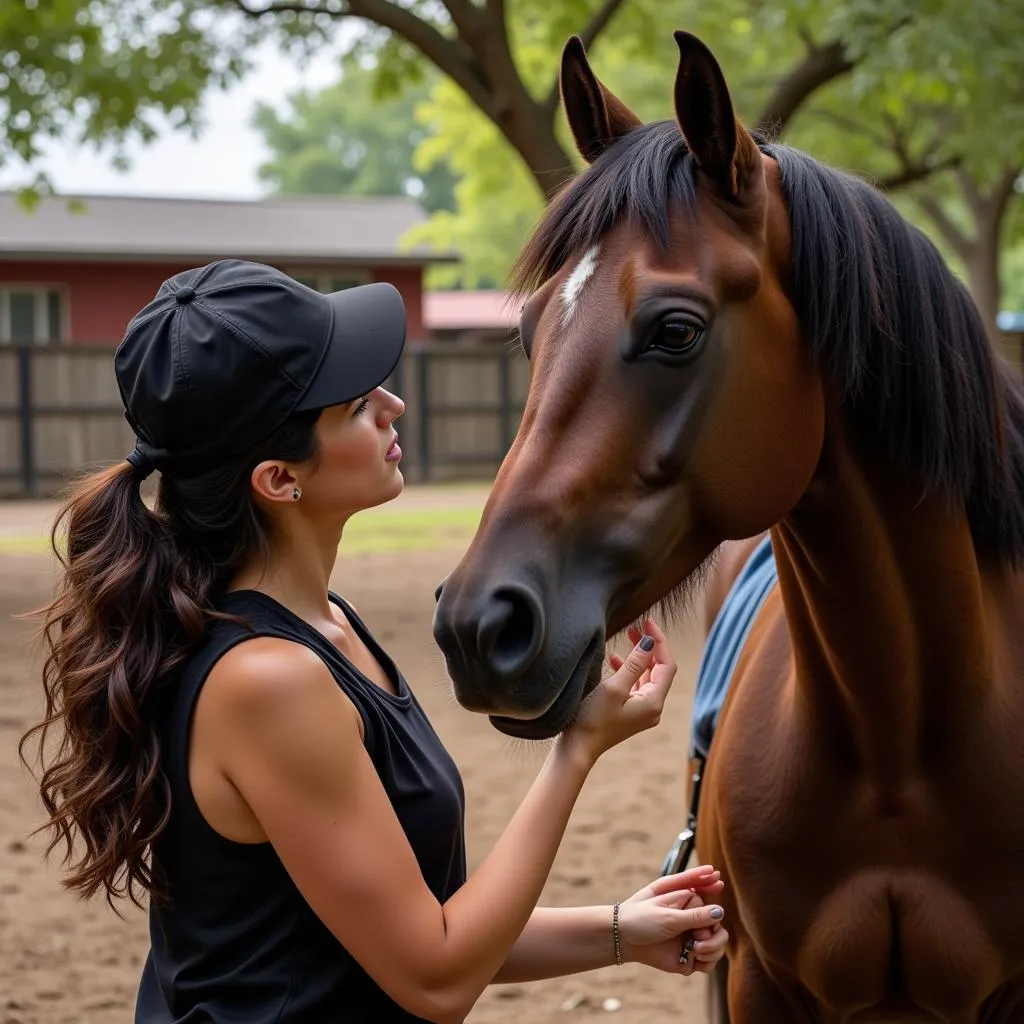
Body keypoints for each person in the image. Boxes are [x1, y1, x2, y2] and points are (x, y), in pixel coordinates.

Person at [21, 260, 728, 1024]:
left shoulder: (330, 626)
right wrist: (578, 746)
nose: (393, 403)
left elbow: (415, 927)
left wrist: (621, 930)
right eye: (357, 404)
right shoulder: (267, 681)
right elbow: (435, 975)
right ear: (280, 480)